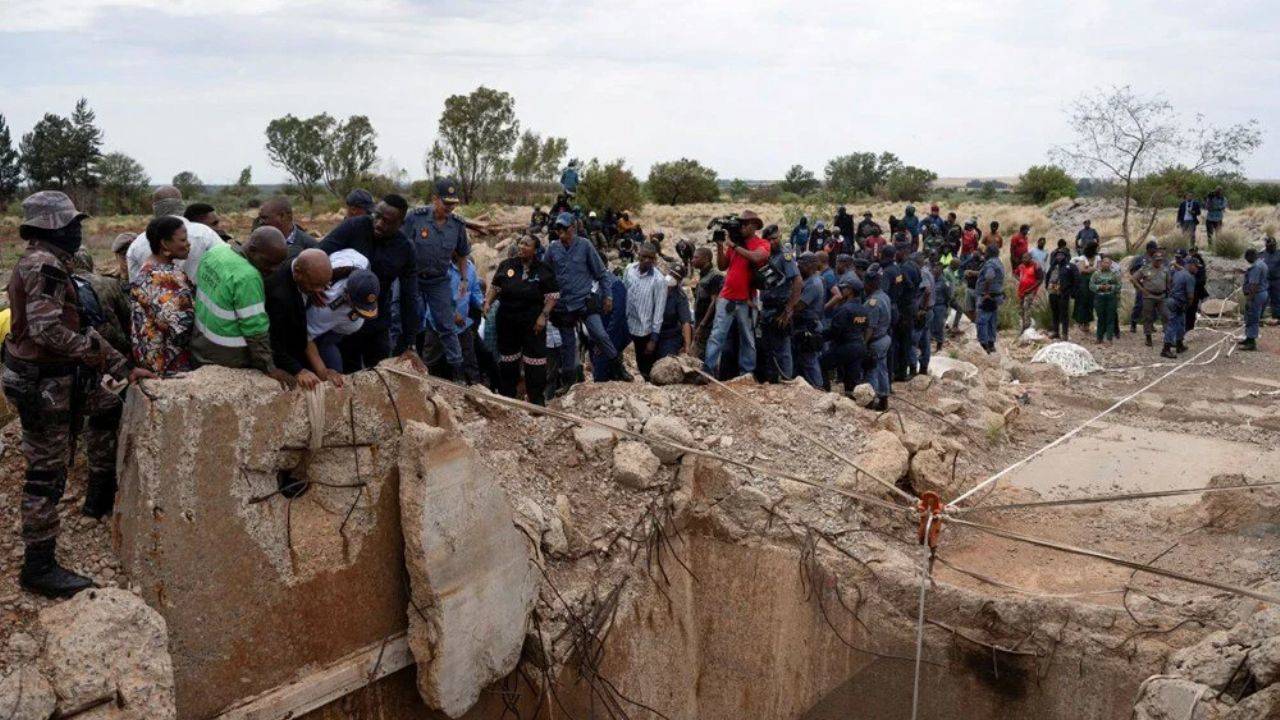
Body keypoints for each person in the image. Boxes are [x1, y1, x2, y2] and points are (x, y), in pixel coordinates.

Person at [4, 191, 155, 597]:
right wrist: (99, 356)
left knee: (106, 407)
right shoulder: (45, 266)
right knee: (45, 474)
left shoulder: (43, 262)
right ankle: (38, 566)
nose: (77, 231)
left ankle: (96, 496)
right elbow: (48, 331)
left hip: (48, 380)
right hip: (45, 385)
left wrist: (118, 366)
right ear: (51, 226)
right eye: (71, 224)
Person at [320, 194, 418, 370]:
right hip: (342, 317)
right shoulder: (354, 226)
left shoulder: (405, 249)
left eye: (387, 221)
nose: (379, 223)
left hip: (377, 321)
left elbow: (409, 296)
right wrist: (317, 287)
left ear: (400, 224)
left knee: (378, 372)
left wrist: (410, 342)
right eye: (377, 216)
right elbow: (320, 253)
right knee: (345, 373)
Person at [192, 227, 295, 388]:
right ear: (252, 250)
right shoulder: (248, 277)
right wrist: (269, 368)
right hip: (227, 354)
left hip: (201, 343)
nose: (274, 270)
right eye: (269, 263)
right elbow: (255, 330)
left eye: (278, 265)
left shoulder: (216, 252)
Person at [545, 211, 623, 388]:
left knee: (600, 334)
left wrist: (608, 296)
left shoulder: (585, 245)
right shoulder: (552, 248)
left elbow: (601, 273)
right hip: (563, 305)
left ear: (573, 228)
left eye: (564, 227)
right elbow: (545, 274)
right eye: (558, 228)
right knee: (568, 345)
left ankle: (618, 368)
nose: (560, 231)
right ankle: (569, 382)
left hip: (584, 300)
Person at [485, 235, 559, 403]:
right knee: (508, 360)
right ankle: (508, 398)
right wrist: (488, 302)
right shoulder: (507, 265)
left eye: (527, 244)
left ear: (535, 249)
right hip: (507, 320)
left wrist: (543, 316)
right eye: (520, 243)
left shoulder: (543, 269)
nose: (522, 246)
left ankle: (536, 401)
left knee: (535, 361)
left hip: (533, 323)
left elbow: (552, 297)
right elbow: (495, 287)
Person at [705, 211, 770, 377]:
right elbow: (722, 266)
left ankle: (746, 373)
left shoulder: (761, 243)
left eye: (745, 223)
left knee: (747, 338)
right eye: (741, 223)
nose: (741, 226)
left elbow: (757, 257)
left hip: (747, 299)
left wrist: (734, 246)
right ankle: (708, 370)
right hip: (727, 296)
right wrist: (720, 245)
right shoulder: (736, 243)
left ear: (754, 225)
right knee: (717, 335)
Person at [130, 216, 195, 375]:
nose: (188, 244)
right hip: (168, 364)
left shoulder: (148, 268)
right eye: (183, 240)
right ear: (164, 244)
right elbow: (181, 328)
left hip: (148, 356)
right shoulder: (164, 278)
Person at [265, 248, 336, 390]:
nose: (320, 291)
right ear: (297, 273)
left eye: (324, 285)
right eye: (315, 285)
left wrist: (315, 288)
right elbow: (274, 343)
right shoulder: (279, 297)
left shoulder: (303, 263)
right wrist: (298, 370)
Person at [127, 186, 225, 284]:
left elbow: (136, 285)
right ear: (181, 205)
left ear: (154, 208)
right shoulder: (204, 233)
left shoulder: (137, 245)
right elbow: (226, 264)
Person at [307, 251, 379, 374]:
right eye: (357, 307)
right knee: (334, 369)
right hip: (316, 328)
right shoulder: (327, 306)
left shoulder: (362, 262)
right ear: (347, 296)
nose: (360, 312)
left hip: (342, 330)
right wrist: (322, 371)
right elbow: (304, 337)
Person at [756, 225, 802, 383]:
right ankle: (773, 381)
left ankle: (786, 380)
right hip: (767, 307)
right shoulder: (768, 256)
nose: (772, 242)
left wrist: (788, 310)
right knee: (769, 347)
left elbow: (797, 281)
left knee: (783, 348)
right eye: (768, 240)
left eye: (775, 238)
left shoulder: (784, 256)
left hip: (780, 307)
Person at [73, 243, 132, 358]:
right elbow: (127, 315)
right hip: (116, 347)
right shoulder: (109, 283)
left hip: (80, 349)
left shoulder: (66, 285)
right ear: (90, 262)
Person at [622, 243, 668, 380]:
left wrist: (653, 339)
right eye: (644, 257)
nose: (647, 260)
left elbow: (659, 311)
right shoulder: (629, 269)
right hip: (627, 323)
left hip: (644, 330)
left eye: (650, 258)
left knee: (645, 364)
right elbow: (623, 292)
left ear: (654, 259)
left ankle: (650, 387)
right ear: (638, 255)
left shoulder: (659, 280)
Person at [822, 279, 868, 394]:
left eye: (845, 288)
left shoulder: (844, 309)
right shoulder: (863, 309)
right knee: (851, 379)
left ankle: (824, 392)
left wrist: (820, 337)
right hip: (859, 346)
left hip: (845, 346)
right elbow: (865, 328)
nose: (843, 290)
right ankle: (851, 400)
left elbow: (835, 330)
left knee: (821, 364)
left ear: (850, 291)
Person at [792, 253, 826, 388]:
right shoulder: (809, 280)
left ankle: (818, 388)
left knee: (810, 360)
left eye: (801, 265)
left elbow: (799, 306)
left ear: (810, 266)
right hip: (804, 325)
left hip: (809, 326)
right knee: (803, 360)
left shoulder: (813, 283)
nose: (798, 268)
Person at [863, 266, 892, 411]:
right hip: (884, 338)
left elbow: (870, 327)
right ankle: (883, 400)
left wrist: (864, 343)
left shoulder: (872, 302)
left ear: (871, 284)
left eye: (866, 283)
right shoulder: (885, 296)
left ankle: (869, 401)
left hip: (875, 341)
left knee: (872, 371)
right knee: (882, 370)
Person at [690, 246, 724, 360]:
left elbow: (714, 302)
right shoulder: (704, 275)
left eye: (696, 257)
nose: (692, 260)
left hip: (709, 323)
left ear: (706, 259)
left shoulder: (715, 276)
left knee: (707, 352)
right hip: (701, 321)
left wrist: (703, 324)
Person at [1132, 249, 1169, 348]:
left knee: (1165, 315)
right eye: (1157, 260)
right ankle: (1148, 337)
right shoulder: (1145, 268)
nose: (1158, 261)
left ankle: (1168, 337)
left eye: (1160, 260)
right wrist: (1142, 289)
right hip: (1149, 296)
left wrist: (1168, 291)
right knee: (1148, 317)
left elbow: (1168, 281)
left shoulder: (1165, 269)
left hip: (1161, 296)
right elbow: (1134, 278)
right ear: (1152, 259)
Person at [656, 265, 693, 361]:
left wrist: (687, 345)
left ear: (679, 281)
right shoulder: (655, 286)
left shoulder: (680, 296)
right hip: (652, 332)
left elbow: (686, 322)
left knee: (666, 362)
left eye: (676, 277)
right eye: (671, 274)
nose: (672, 277)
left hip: (669, 336)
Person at [1164, 257, 1198, 358]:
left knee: (1181, 324)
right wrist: (1188, 305)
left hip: (1172, 300)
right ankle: (1166, 349)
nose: (1197, 269)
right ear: (1190, 265)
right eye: (1196, 266)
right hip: (1178, 303)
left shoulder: (1177, 273)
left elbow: (1169, 283)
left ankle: (1179, 345)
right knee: (1173, 325)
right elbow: (1190, 296)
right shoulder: (1190, 277)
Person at [975, 245, 1005, 353]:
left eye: (986, 252)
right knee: (992, 320)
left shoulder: (990, 264)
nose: (984, 253)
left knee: (982, 321)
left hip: (987, 296)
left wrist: (986, 293)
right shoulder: (999, 262)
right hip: (996, 295)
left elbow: (989, 277)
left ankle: (983, 344)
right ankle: (991, 343)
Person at [1240, 248, 1269, 351]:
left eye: (1247, 258)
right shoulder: (1262, 263)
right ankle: (1248, 338)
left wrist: (1249, 299)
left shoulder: (1256, 267)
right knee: (1251, 316)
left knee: (1252, 317)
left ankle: (1251, 342)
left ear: (1251, 256)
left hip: (1256, 295)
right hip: (1262, 293)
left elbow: (1254, 285)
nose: (1247, 261)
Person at [1044, 248, 1077, 340]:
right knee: (1055, 313)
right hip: (1052, 293)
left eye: (1061, 255)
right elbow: (1047, 277)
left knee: (1064, 314)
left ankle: (1065, 333)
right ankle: (1056, 332)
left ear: (1065, 256)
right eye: (1057, 255)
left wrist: (1072, 292)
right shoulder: (1053, 266)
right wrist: (1047, 287)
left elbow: (1076, 280)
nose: (1059, 257)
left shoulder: (1070, 266)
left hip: (1064, 293)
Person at [910, 253, 934, 375]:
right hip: (929, 311)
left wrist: (922, 309)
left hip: (923, 312)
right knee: (925, 340)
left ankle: (913, 368)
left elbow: (927, 290)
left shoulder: (922, 273)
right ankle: (924, 367)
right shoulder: (928, 271)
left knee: (913, 341)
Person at [1128, 241, 1159, 334]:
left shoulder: (1155, 259)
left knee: (1153, 305)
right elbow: (1132, 270)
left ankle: (1151, 324)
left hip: (1153, 286)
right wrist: (1138, 281)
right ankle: (1133, 323)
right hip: (1142, 286)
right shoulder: (1140, 259)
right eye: (1154, 248)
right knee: (1140, 304)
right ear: (1149, 249)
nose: (1156, 250)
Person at [1090, 256, 1122, 344]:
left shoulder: (1114, 274)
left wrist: (1111, 287)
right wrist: (1099, 287)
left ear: (1111, 264)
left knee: (1110, 318)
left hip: (1111, 297)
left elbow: (1119, 285)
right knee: (1100, 318)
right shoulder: (1096, 274)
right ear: (1101, 263)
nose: (1106, 264)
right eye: (1104, 262)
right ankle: (1099, 338)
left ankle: (1109, 338)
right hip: (1099, 297)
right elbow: (1091, 285)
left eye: (1108, 263)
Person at [1072, 242, 1100, 331]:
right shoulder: (1082, 258)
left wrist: (1089, 269)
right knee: (1082, 301)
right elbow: (1082, 270)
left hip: (1093, 281)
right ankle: (1081, 321)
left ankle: (1087, 322)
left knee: (1090, 302)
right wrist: (1093, 269)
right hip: (1083, 282)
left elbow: (1099, 269)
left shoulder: (1098, 257)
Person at [1015, 253, 1042, 333]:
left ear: (1030, 258)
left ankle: (1027, 327)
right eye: (1023, 258)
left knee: (1026, 306)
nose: (1024, 260)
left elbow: (1040, 280)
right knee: (1021, 309)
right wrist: (1020, 280)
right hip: (1021, 290)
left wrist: (1030, 289)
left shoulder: (1036, 266)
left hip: (1031, 291)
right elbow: (1015, 273)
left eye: (1026, 258)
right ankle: (1024, 326)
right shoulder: (1021, 266)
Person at [929, 257, 951, 352]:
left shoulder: (945, 282)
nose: (935, 270)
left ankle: (939, 344)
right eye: (934, 268)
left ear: (941, 270)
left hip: (940, 306)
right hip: (931, 306)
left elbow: (948, 295)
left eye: (937, 268)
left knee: (939, 325)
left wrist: (945, 306)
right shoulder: (931, 279)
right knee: (929, 325)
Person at [1185, 248, 1208, 332]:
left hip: (1196, 293)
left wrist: (1193, 281)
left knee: (1192, 311)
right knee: (1187, 312)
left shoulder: (1200, 269)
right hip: (1188, 293)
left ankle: (1189, 329)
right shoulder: (1186, 269)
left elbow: (1202, 281)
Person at [1263, 237, 1280, 323]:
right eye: (1270, 245)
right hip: (1265, 280)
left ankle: (1277, 317)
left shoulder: (1279, 254)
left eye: (1273, 245)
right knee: (1264, 299)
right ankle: (1263, 318)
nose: (1272, 246)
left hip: (1277, 281)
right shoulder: (1262, 255)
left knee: (1277, 299)